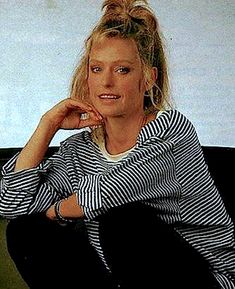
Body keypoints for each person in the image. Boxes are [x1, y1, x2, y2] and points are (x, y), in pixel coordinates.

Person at [0, 0, 235, 288]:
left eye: (122, 70)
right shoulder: (79, 150)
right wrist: (47, 126)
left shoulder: (172, 129)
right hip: (125, 280)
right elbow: (12, 205)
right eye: (97, 69)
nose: (106, 82)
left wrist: (55, 211)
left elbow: (110, 192)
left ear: (148, 78)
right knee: (26, 231)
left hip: (204, 277)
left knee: (122, 224)